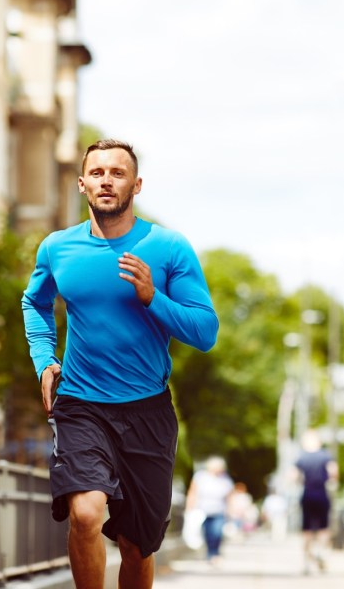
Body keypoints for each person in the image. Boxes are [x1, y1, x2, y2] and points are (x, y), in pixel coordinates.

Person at [21, 139, 219, 589]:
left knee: (137, 545)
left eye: (117, 173)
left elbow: (205, 332)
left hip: (147, 410)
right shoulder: (57, 248)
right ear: (82, 184)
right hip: (81, 403)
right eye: (97, 173)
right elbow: (34, 302)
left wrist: (154, 298)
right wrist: (44, 361)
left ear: (136, 184)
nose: (106, 180)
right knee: (86, 512)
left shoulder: (168, 247)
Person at [294, 428, 338, 574]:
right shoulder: (326, 456)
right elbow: (334, 472)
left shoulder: (302, 457)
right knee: (324, 528)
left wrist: (301, 481)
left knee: (306, 530)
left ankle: (306, 562)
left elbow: (293, 475)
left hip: (307, 493)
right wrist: (331, 481)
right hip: (322, 493)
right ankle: (321, 553)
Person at [185, 456, 235, 565]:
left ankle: (215, 553)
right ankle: (210, 553)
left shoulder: (226, 479)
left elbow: (229, 497)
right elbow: (193, 492)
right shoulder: (200, 477)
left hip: (219, 510)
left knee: (217, 533)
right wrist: (189, 508)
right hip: (203, 511)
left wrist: (231, 511)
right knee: (207, 533)